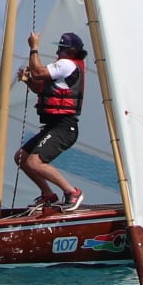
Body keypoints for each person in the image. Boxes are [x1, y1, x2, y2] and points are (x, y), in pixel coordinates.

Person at [15, 30, 90, 213]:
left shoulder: (67, 65)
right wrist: (27, 81)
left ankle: (72, 192)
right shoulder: (62, 68)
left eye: (61, 49)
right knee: (21, 158)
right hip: (53, 126)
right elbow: (39, 87)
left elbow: (38, 72)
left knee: (34, 162)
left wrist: (34, 48)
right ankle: (48, 195)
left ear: (71, 51)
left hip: (65, 127)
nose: (58, 53)